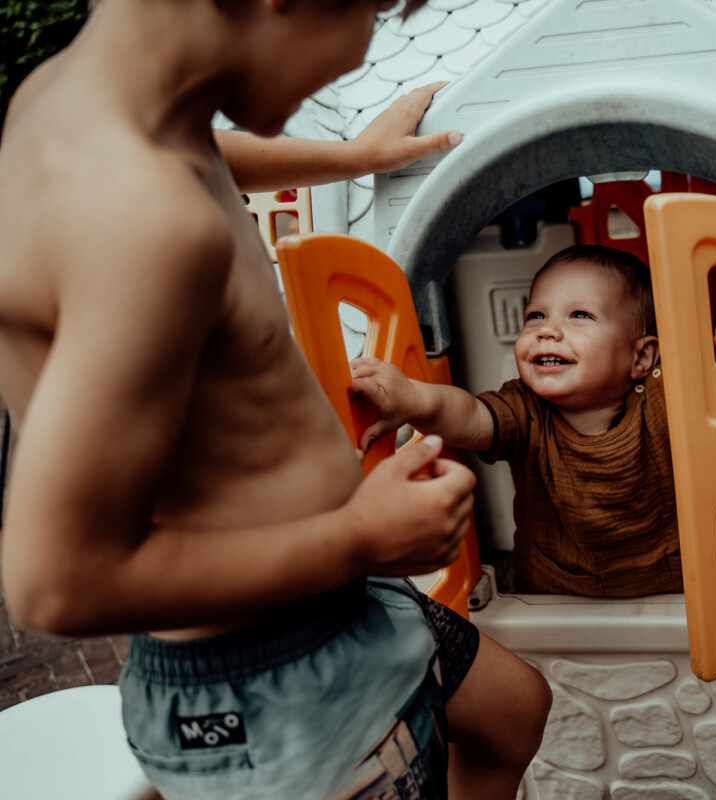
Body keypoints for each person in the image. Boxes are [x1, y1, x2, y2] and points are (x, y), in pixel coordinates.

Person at [0, 0, 550, 798]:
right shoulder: (144, 226)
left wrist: (353, 157)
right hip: (264, 674)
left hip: (339, 601)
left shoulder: (96, 110)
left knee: (512, 711)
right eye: (370, 10)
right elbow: (57, 581)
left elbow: (209, 152)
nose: (360, 52)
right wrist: (359, 537)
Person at [349, 246, 716, 598]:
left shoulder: (666, 396)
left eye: (579, 315)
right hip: (556, 596)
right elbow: (470, 415)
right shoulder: (525, 408)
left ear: (641, 357)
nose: (547, 331)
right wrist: (414, 398)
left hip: (673, 590)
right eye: (535, 315)